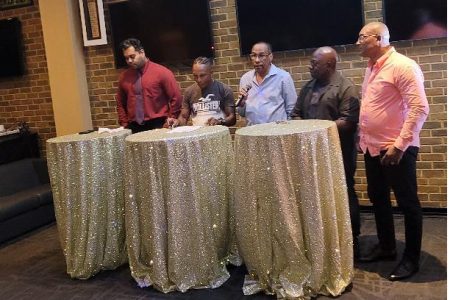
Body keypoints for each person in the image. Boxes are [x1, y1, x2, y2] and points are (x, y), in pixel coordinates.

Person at [356, 22, 429, 281]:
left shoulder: (402, 66)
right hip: (372, 147)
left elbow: (419, 108)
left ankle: (411, 259)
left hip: (396, 148)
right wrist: (362, 137)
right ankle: (387, 247)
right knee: (378, 198)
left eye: (362, 37)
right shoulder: (371, 67)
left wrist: (399, 145)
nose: (358, 42)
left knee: (408, 204)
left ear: (379, 38)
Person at [290, 46, 361, 259]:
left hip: (339, 152)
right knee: (315, 194)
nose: (309, 66)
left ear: (329, 65)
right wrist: (303, 127)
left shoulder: (346, 87)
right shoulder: (308, 87)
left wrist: (316, 130)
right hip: (309, 153)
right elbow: (295, 114)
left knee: (344, 192)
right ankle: (322, 239)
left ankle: (352, 240)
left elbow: (348, 121)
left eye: (314, 63)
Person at [116, 38, 182, 133]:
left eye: (132, 56)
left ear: (142, 52)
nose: (129, 61)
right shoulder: (124, 77)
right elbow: (120, 102)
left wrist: (171, 118)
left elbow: (176, 98)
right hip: (133, 126)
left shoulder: (162, 72)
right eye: (126, 58)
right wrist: (125, 124)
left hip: (159, 124)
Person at [236, 42, 297, 125]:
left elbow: (292, 109)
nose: (257, 60)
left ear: (270, 57)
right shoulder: (246, 78)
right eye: (254, 55)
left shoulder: (283, 77)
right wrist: (242, 103)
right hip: (253, 133)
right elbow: (242, 113)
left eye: (261, 55)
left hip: (277, 132)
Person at [167, 57, 236, 127]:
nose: (198, 80)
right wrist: (177, 122)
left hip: (220, 134)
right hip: (199, 135)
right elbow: (184, 117)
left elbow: (232, 119)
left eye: (202, 75)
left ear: (211, 72)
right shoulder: (189, 92)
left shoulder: (224, 89)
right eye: (195, 76)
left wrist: (220, 121)